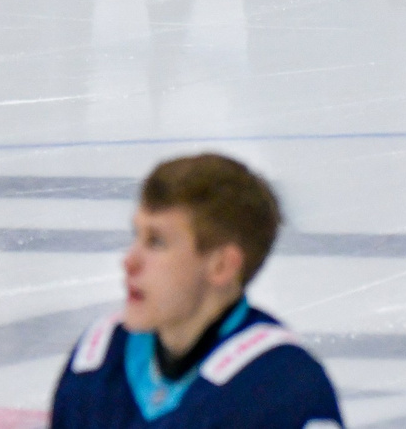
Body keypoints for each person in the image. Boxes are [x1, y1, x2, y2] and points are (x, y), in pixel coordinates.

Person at [50, 154, 343, 429]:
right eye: (136, 235)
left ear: (221, 266)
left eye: (157, 242)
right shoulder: (98, 364)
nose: (130, 261)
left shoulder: (282, 388)